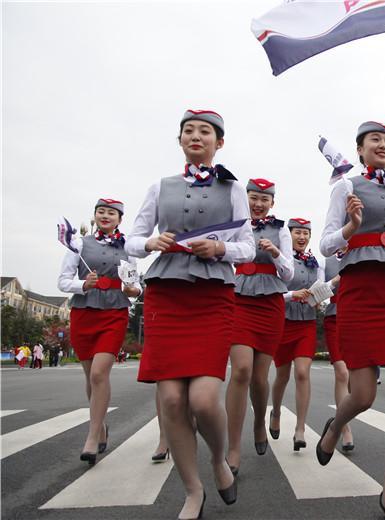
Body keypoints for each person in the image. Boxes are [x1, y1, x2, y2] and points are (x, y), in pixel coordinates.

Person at [127, 109, 251, 519]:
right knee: (172, 399)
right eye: (189, 131)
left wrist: (220, 249)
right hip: (167, 292)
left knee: (201, 398)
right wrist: (151, 243)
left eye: (206, 131)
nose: (196, 136)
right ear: (180, 139)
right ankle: (192, 491)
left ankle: (218, 460)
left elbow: (246, 246)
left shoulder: (233, 188)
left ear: (219, 142)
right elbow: (132, 239)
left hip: (212, 295)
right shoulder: (159, 187)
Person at [316, 121, 385, 519]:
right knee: (362, 394)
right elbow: (326, 243)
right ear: (360, 150)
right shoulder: (345, 188)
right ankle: (334, 427)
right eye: (375, 140)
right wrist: (350, 227)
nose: (383, 145)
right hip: (360, 291)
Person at [58, 198, 141, 465]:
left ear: (120, 219)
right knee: (89, 376)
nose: (105, 216)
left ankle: (92, 438)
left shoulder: (127, 247)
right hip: (84, 313)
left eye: (111, 213)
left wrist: (132, 290)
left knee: (98, 373)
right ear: (95, 216)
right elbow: (62, 281)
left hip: (114, 313)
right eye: (101, 212)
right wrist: (84, 284)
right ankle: (101, 425)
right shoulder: (79, 244)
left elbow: (135, 285)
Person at [225, 178, 293, 474]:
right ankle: (233, 447)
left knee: (259, 378)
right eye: (253, 197)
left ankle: (258, 422)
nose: (258, 203)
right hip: (238, 297)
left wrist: (276, 253)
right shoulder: (234, 224)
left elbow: (289, 274)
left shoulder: (281, 230)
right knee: (241, 370)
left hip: (270, 303)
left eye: (264, 199)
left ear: (272, 203)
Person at [269, 218, 322, 452]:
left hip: (306, 324)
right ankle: (277, 411)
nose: (302, 237)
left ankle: (300, 428)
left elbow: (320, 289)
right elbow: (270, 294)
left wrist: (318, 300)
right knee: (282, 376)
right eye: (297, 232)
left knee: (302, 373)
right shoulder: (280, 259)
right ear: (288, 234)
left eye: (306, 233)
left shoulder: (315, 263)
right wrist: (293, 295)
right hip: (284, 322)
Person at [323, 252, 355, 451]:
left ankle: (340, 421)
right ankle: (344, 428)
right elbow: (317, 292)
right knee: (342, 374)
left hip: (359, 317)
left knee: (355, 379)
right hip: (334, 318)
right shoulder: (324, 261)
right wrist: (335, 281)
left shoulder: (363, 253)